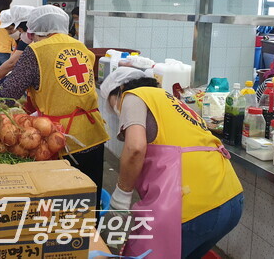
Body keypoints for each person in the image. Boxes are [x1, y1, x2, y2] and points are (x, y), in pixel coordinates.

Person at [100, 67, 243, 259]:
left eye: (113, 102)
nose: (116, 109)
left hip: (192, 207)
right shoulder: (169, 99)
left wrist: (122, 192)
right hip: (230, 199)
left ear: (121, 89)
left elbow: (135, 148)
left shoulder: (133, 95)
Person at [0, 5, 109, 207]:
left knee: (64, 204)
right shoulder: (82, 48)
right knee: (90, 197)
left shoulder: (37, 51)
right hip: (94, 133)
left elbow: (7, 94)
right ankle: (91, 237)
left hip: (60, 139)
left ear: (37, 32)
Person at [0, 5, 35, 82]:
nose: (9, 33)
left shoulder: (27, 39)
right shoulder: (20, 40)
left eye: (11, 29)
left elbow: (11, 63)